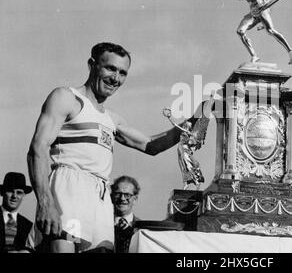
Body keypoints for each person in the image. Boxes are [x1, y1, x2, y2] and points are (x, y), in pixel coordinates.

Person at [26, 42, 201, 253]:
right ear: (92, 65)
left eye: (122, 73)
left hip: (100, 195)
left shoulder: (111, 119)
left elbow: (151, 145)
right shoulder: (66, 97)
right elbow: (37, 149)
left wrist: (198, 116)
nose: (115, 78)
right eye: (110, 68)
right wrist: (45, 202)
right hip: (68, 188)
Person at [0, 172, 33, 253]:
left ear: (23, 195)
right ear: (2, 192)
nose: (14, 196)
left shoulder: (28, 226)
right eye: (10, 191)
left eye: (19, 192)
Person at [111, 175, 141, 253]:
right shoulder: (102, 224)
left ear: (135, 199)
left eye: (127, 195)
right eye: (118, 194)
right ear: (111, 197)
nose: (122, 198)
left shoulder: (141, 229)